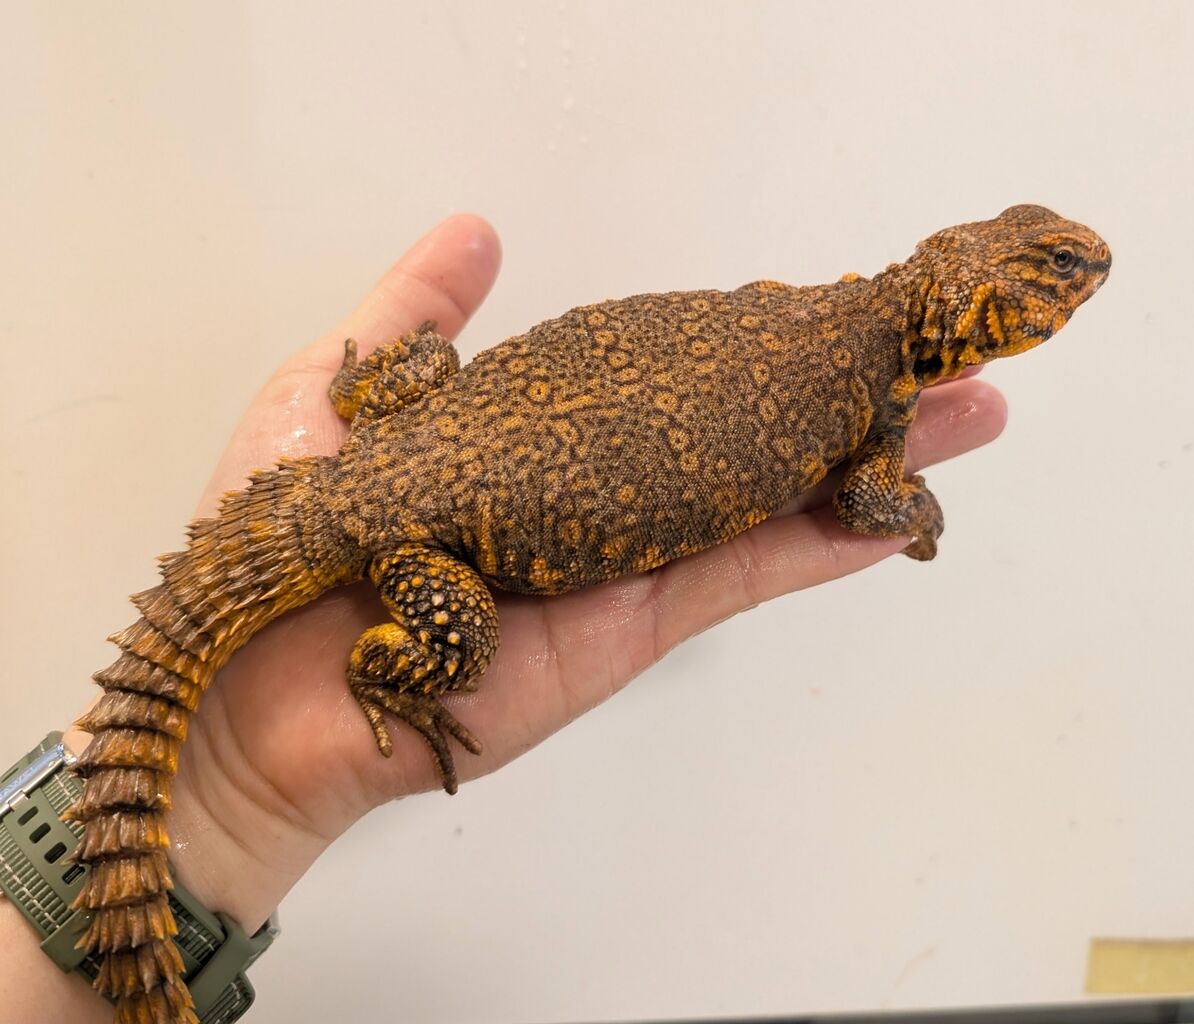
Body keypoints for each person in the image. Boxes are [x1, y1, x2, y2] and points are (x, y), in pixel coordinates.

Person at [0, 215, 1007, 1021]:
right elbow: (868, 497)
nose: (1066, 287)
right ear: (969, 319)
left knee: (432, 393)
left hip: (403, 431)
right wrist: (916, 512)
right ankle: (381, 669)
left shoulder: (812, 305)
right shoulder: (865, 375)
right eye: (1050, 277)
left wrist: (362, 393)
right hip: (403, 522)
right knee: (464, 644)